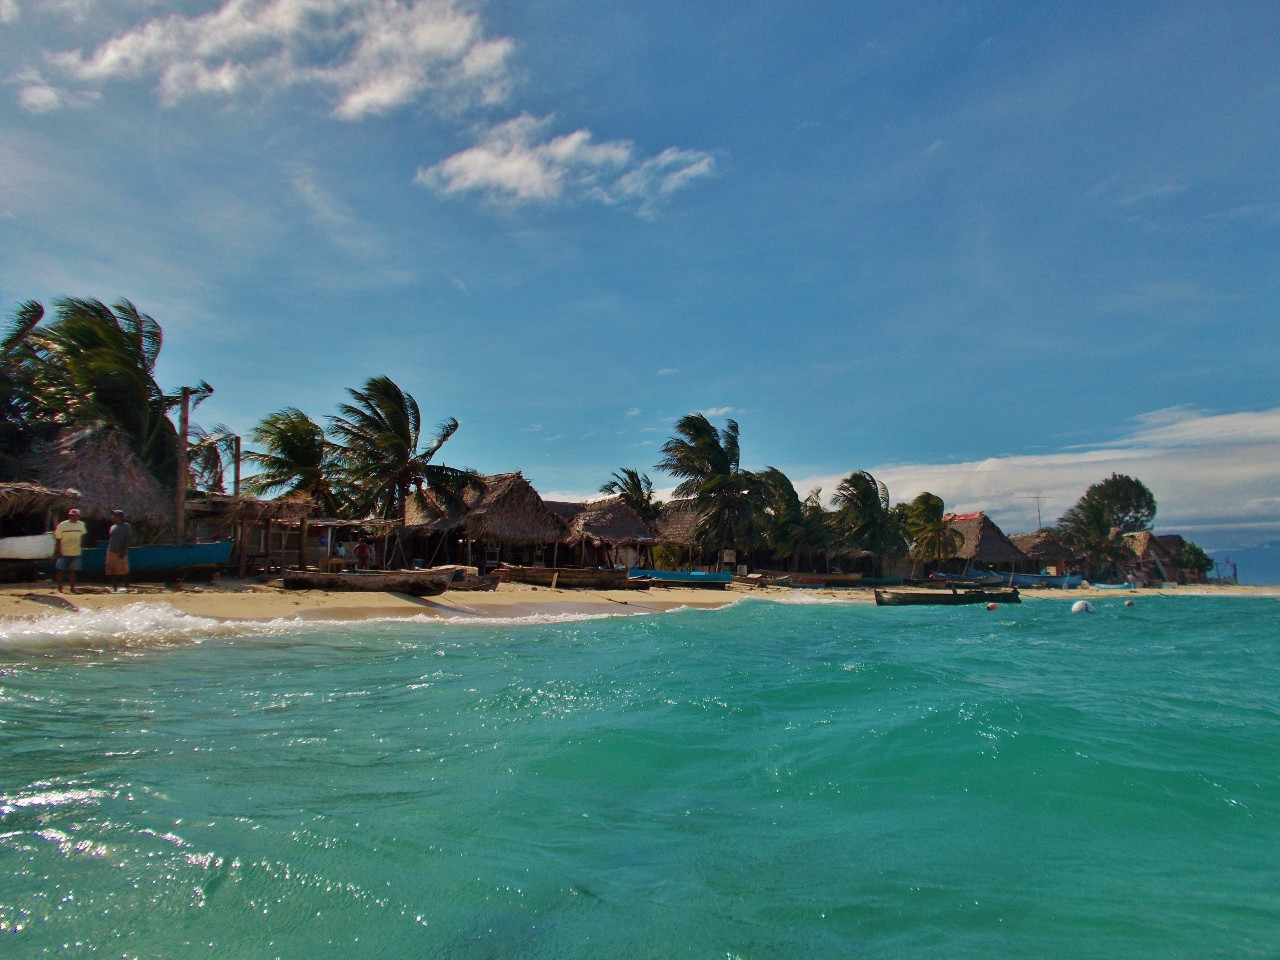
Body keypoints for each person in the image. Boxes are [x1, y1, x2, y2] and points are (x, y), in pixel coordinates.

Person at [54, 507, 88, 594]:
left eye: (76, 516)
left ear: (79, 516)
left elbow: (83, 536)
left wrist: (81, 546)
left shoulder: (81, 524)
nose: (74, 517)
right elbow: (58, 538)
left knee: (73, 571)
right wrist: (58, 550)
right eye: (72, 515)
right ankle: (59, 589)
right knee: (60, 570)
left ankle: (72, 588)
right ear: (69, 516)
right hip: (63, 551)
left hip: (76, 551)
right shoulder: (62, 525)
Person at [105, 509, 133, 593]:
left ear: (119, 517)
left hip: (120, 551)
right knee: (112, 570)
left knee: (124, 570)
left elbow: (128, 539)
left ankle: (126, 587)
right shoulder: (112, 527)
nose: (112, 517)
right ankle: (115, 588)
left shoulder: (126, 526)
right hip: (111, 551)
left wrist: (124, 551)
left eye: (114, 516)